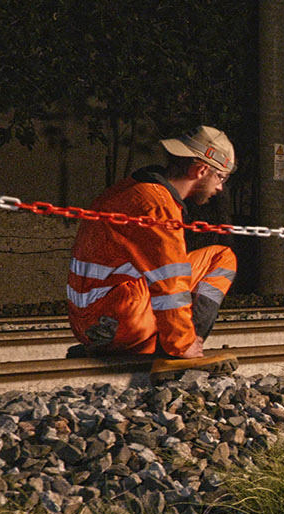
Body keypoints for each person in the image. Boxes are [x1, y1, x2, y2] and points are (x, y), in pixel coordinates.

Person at [66, 125, 238, 379]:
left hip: (96, 319)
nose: (220, 188)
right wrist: (181, 345)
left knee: (219, 258)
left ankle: (152, 345)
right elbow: (170, 282)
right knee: (176, 275)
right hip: (115, 319)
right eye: (220, 178)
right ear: (202, 170)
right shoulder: (156, 205)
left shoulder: (132, 190)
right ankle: (180, 351)